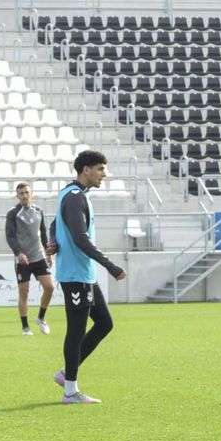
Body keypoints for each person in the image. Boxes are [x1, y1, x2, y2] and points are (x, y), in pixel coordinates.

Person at [52, 150, 127, 405]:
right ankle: (70, 391)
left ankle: (66, 373)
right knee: (76, 331)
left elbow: (54, 224)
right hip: (75, 274)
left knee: (105, 323)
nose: (104, 175)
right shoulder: (74, 197)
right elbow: (79, 237)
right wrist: (110, 265)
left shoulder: (73, 194)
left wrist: (52, 241)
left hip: (83, 274)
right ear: (86, 169)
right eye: (100, 169)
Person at [5, 182, 56, 336]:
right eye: (21, 193)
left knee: (50, 286)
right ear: (17, 196)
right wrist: (18, 253)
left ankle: (41, 318)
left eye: (27, 192)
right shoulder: (13, 213)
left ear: (31, 193)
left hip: (38, 256)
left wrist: (48, 253)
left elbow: (44, 234)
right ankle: (25, 327)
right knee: (24, 292)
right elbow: (10, 236)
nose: (24, 195)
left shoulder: (39, 211)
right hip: (23, 260)